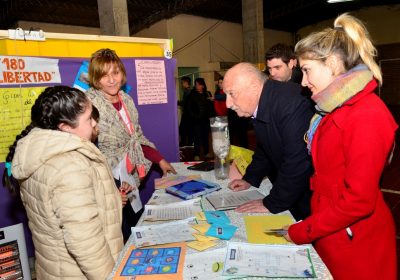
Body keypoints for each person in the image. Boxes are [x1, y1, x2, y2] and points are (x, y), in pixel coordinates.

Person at [285, 14, 397, 279]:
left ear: (333, 64)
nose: (303, 81)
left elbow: (359, 201)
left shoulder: (367, 113)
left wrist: (303, 230)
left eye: (307, 70)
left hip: (356, 244)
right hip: (331, 231)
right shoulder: (332, 109)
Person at [2, 86, 123, 279]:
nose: (94, 124)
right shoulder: (69, 166)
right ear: (65, 127)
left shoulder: (40, 152)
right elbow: (85, 241)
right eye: (88, 118)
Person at [85, 48, 176, 241]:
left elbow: (136, 138)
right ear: (95, 78)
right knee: (119, 232)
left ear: (122, 73)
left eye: (115, 73)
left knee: (136, 224)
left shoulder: (126, 99)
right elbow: (86, 146)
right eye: (104, 75)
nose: (111, 80)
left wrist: (160, 160)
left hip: (130, 173)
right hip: (107, 176)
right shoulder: (89, 104)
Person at [224, 62, 313, 221]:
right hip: (294, 188)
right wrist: (251, 178)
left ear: (254, 86)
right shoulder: (267, 100)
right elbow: (265, 146)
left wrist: (272, 203)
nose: (227, 104)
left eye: (232, 94)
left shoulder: (291, 104)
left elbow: (298, 162)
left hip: (312, 194)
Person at [187, 77, 214, 160]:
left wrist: (210, 116)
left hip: (206, 120)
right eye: (196, 84)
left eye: (198, 84)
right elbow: (189, 108)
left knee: (205, 136)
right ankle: (197, 154)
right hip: (196, 120)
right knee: (197, 137)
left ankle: (206, 152)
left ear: (202, 85)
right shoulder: (192, 94)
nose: (196, 86)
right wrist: (195, 116)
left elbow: (210, 106)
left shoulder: (207, 93)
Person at [178, 76, 193, 146]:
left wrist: (176, 102)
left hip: (187, 114)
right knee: (187, 129)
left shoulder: (187, 91)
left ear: (186, 82)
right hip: (189, 114)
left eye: (182, 82)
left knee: (182, 129)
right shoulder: (189, 91)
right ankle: (188, 143)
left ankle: (184, 144)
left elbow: (185, 103)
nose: (182, 84)